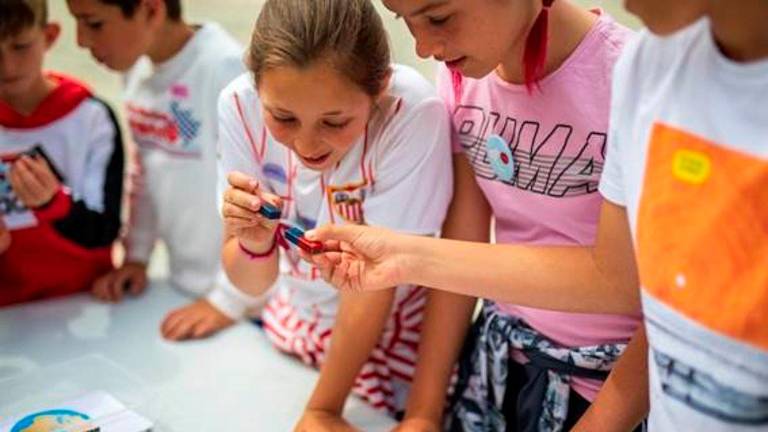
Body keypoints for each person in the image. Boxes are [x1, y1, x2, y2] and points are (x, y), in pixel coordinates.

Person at [307, 0, 768, 430]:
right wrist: (424, 414)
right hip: (500, 363)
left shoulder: (627, 72)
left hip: (611, 385)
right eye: (404, 20)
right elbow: (462, 254)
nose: (425, 46)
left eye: (440, 18)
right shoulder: (462, 74)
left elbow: (649, 293)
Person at [217, 0, 453, 426]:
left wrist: (323, 408)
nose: (307, 146)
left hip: (388, 346)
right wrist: (253, 241)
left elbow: (378, 282)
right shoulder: (237, 106)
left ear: (379, 86)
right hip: (290, 327)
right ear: (256, 85)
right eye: (283, 117)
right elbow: (252, 282)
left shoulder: (412, 114)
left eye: (334, 121)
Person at [66, 0, 250, 340]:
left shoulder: (225, 70)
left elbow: (262, 196)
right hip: (185, 288)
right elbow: (145, 170)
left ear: (151, 10)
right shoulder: (135, 69)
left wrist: (230, 300)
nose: (80, 41)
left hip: (246, 303)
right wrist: (136, 256)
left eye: (93, 23)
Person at [0, 0, 123, 306]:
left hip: (87, 299)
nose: (7, 66)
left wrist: (53, 203)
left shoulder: (91, 117)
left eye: (20, 46)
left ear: (50, 35)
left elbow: (105, 230)